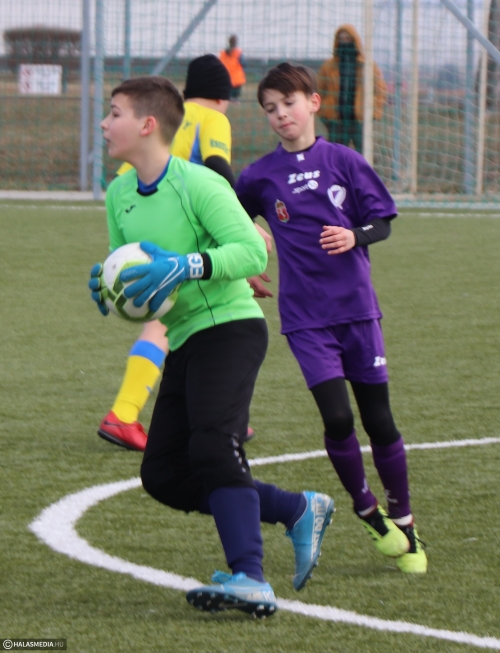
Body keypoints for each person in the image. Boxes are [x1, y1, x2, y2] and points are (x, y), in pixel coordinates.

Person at [88, 75, 335, 616]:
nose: (105, 124)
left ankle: (250, 577)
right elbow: (134, 274)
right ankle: (295, 508)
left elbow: (252, 253)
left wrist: (187, 265)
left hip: (230, 328)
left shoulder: (197, 183)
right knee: (163, 475)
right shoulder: (118, 195)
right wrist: (110, 285)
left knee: (212, 445)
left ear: (147, 125)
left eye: (114, 113)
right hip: (184, 338)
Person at [234, 62, 427, 574]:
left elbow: (382, 221)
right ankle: (368, 511)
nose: (280, 114)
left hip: (358, 311)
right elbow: (229, 219)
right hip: (305, 318)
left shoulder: (344, 160)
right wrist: (246, 263)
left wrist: (354, 235)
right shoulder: (259, 176)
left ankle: (405, 520)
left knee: (379, 419)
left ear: (313, 103)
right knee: (338, 418)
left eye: (289, 103)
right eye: (270, 108)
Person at [98, 55, 268, 452]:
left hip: (148, 213)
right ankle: (126, 413)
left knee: (165, 320)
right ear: (222, 97)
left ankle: (215, 415)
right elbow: (218, 167)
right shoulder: (213, 118)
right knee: (172, 316)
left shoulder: (164, 124)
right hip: (184, 228)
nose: (106, 124)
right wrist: (244, 223)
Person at [317, 24, 386, 153]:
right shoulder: (328, 67)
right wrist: (324, 113)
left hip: (360, 121)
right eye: (341, 39)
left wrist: (374, 113)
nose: (344, 42)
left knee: (363, 155)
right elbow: (319, 91)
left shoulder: (368, 66)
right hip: (336, 121)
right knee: (335, 157)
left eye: (348, 38)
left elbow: (380, 91)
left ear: (355, 40)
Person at [219, 35, 246, 102]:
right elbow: (244, 64)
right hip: (237, 79)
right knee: (235, 98)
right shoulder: (239, 52)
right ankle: (235, 100)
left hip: (225, 78)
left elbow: (219, 64)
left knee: (227, 96)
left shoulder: (222, 53)